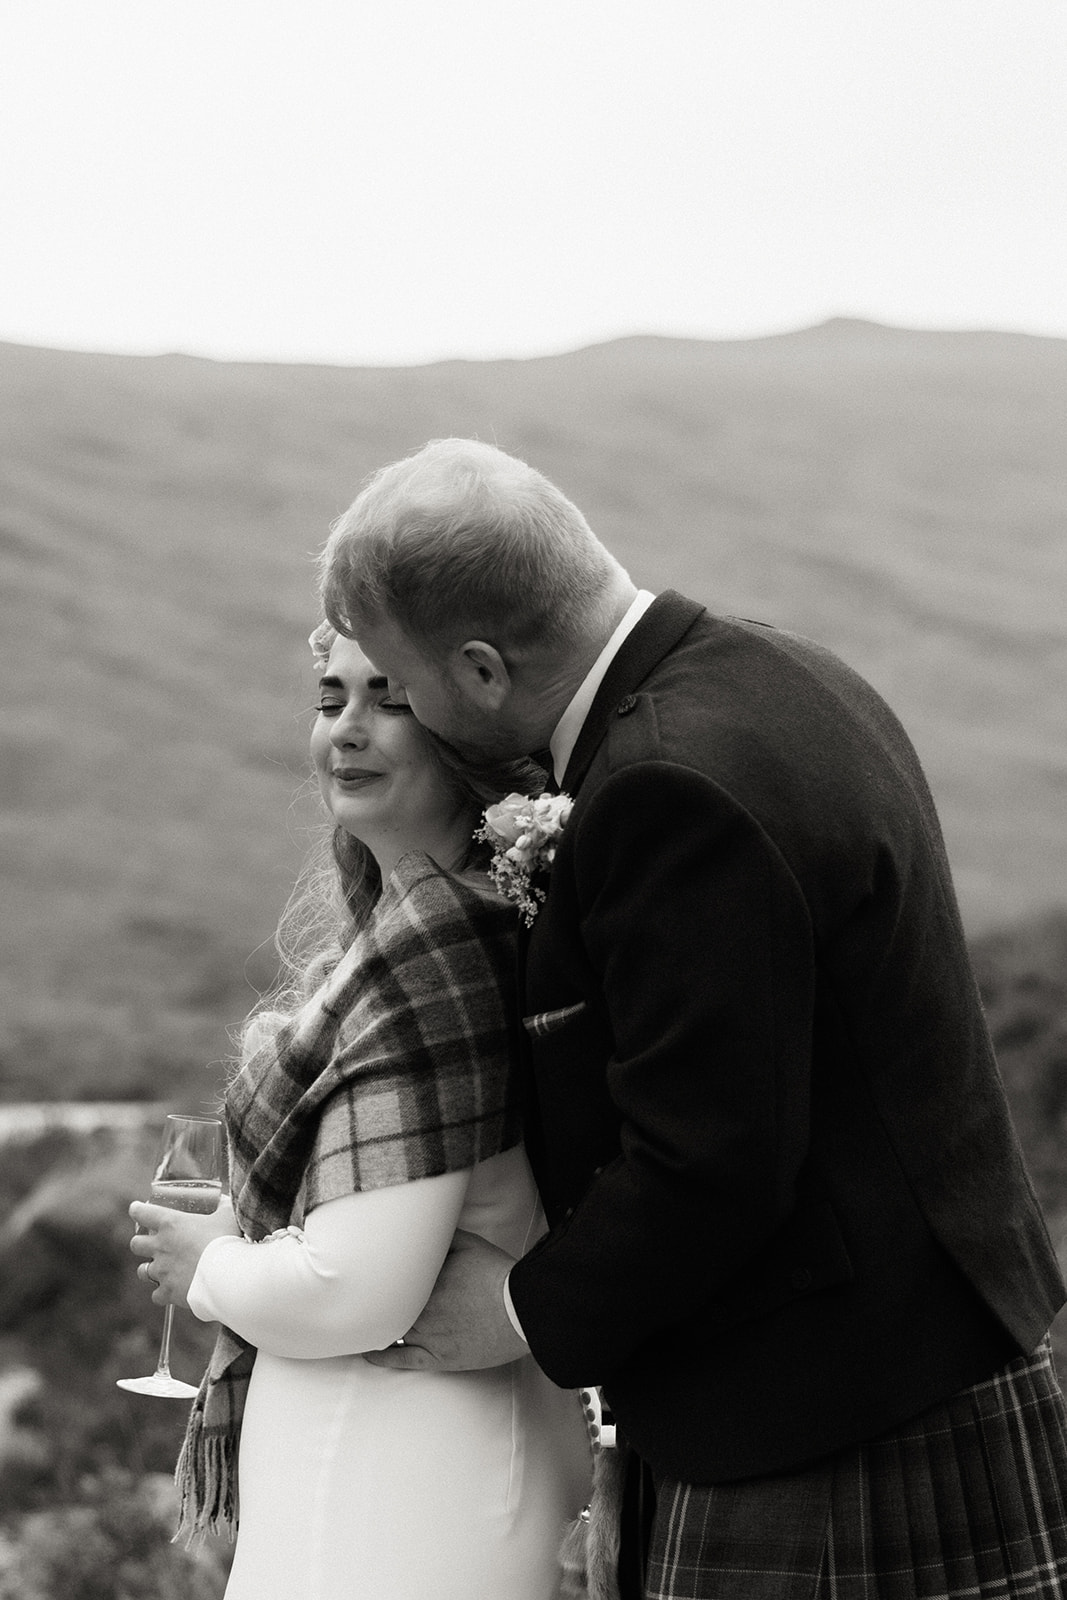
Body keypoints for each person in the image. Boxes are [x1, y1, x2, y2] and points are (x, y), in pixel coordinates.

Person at [317, 436, 1067, 1600]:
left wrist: (517, 1307)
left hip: (823, 1418)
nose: (396, 712)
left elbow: (711, 1157)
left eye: (403, 685)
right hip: (923, 1363)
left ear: (477, 669)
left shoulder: (665, 788)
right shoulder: (785, 671)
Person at [128, 625, 591, 1600]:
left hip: (396, 1473)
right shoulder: (465, 920)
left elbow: (358, 1288)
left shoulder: (439, 943)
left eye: (387, 698)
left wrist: (212, 1266)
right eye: (330, 697)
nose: (346, 728)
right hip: (404, 1463)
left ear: (462, 726)